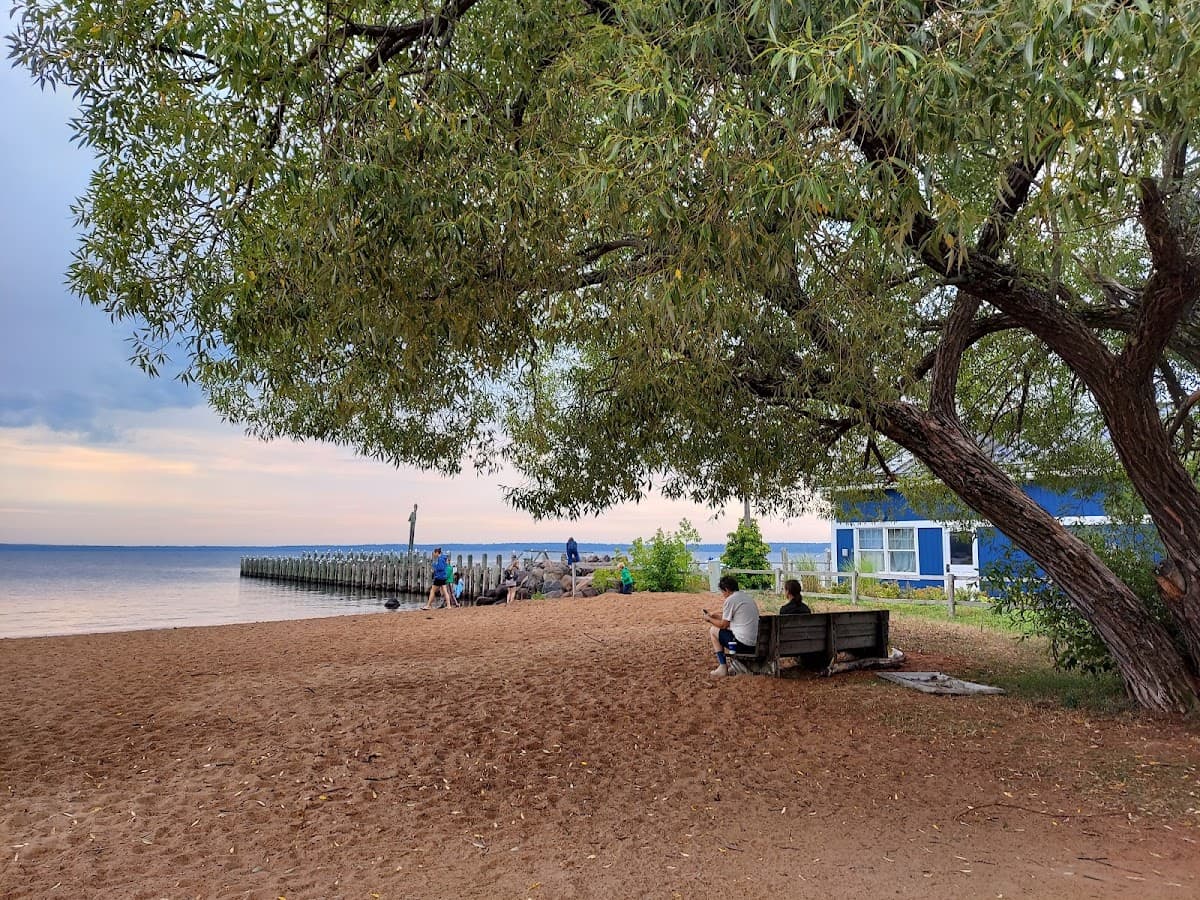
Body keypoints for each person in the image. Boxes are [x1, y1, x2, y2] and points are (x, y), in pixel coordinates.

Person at [702, 574, 759, 677]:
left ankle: (722, 667)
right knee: (727, 631)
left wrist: (709, 619)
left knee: (713, 630)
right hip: (757, 644)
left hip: (743, 645)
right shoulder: (747, 598)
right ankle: (735, 665)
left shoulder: (730, 600)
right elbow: (731, 618)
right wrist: (714, 615)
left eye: (723, 592)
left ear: (727, 590)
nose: (723, 595)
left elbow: (724, 625)